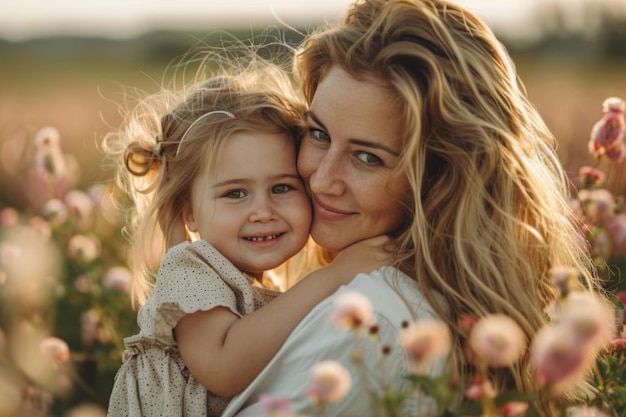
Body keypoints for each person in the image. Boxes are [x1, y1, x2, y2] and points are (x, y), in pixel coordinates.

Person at [221, 0, 601, 416]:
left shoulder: (370, 329)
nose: (321, 178)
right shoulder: (436, 307)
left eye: (368, 158)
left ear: (440, 178)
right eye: (318, 134)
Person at [102, 62, 392, 417]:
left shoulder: (235, 280)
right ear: (188, 211)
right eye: (236, 194)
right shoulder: (190, 272)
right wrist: (335, 275)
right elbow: (224, 369)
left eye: (282, 188)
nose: (263, 211)